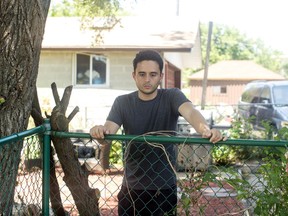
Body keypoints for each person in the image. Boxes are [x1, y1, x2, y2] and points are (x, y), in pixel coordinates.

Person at [90, 50, 224, 216]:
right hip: (131, 188)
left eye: (153, 74)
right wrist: (100, 131)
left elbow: (190, 112)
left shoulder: (171, 96)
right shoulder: (123, 102)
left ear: (161, 76)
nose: (147, 80)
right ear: (134, 76)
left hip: (164, 189)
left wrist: (205, 129)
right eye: (142, 74)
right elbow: (109, 130)